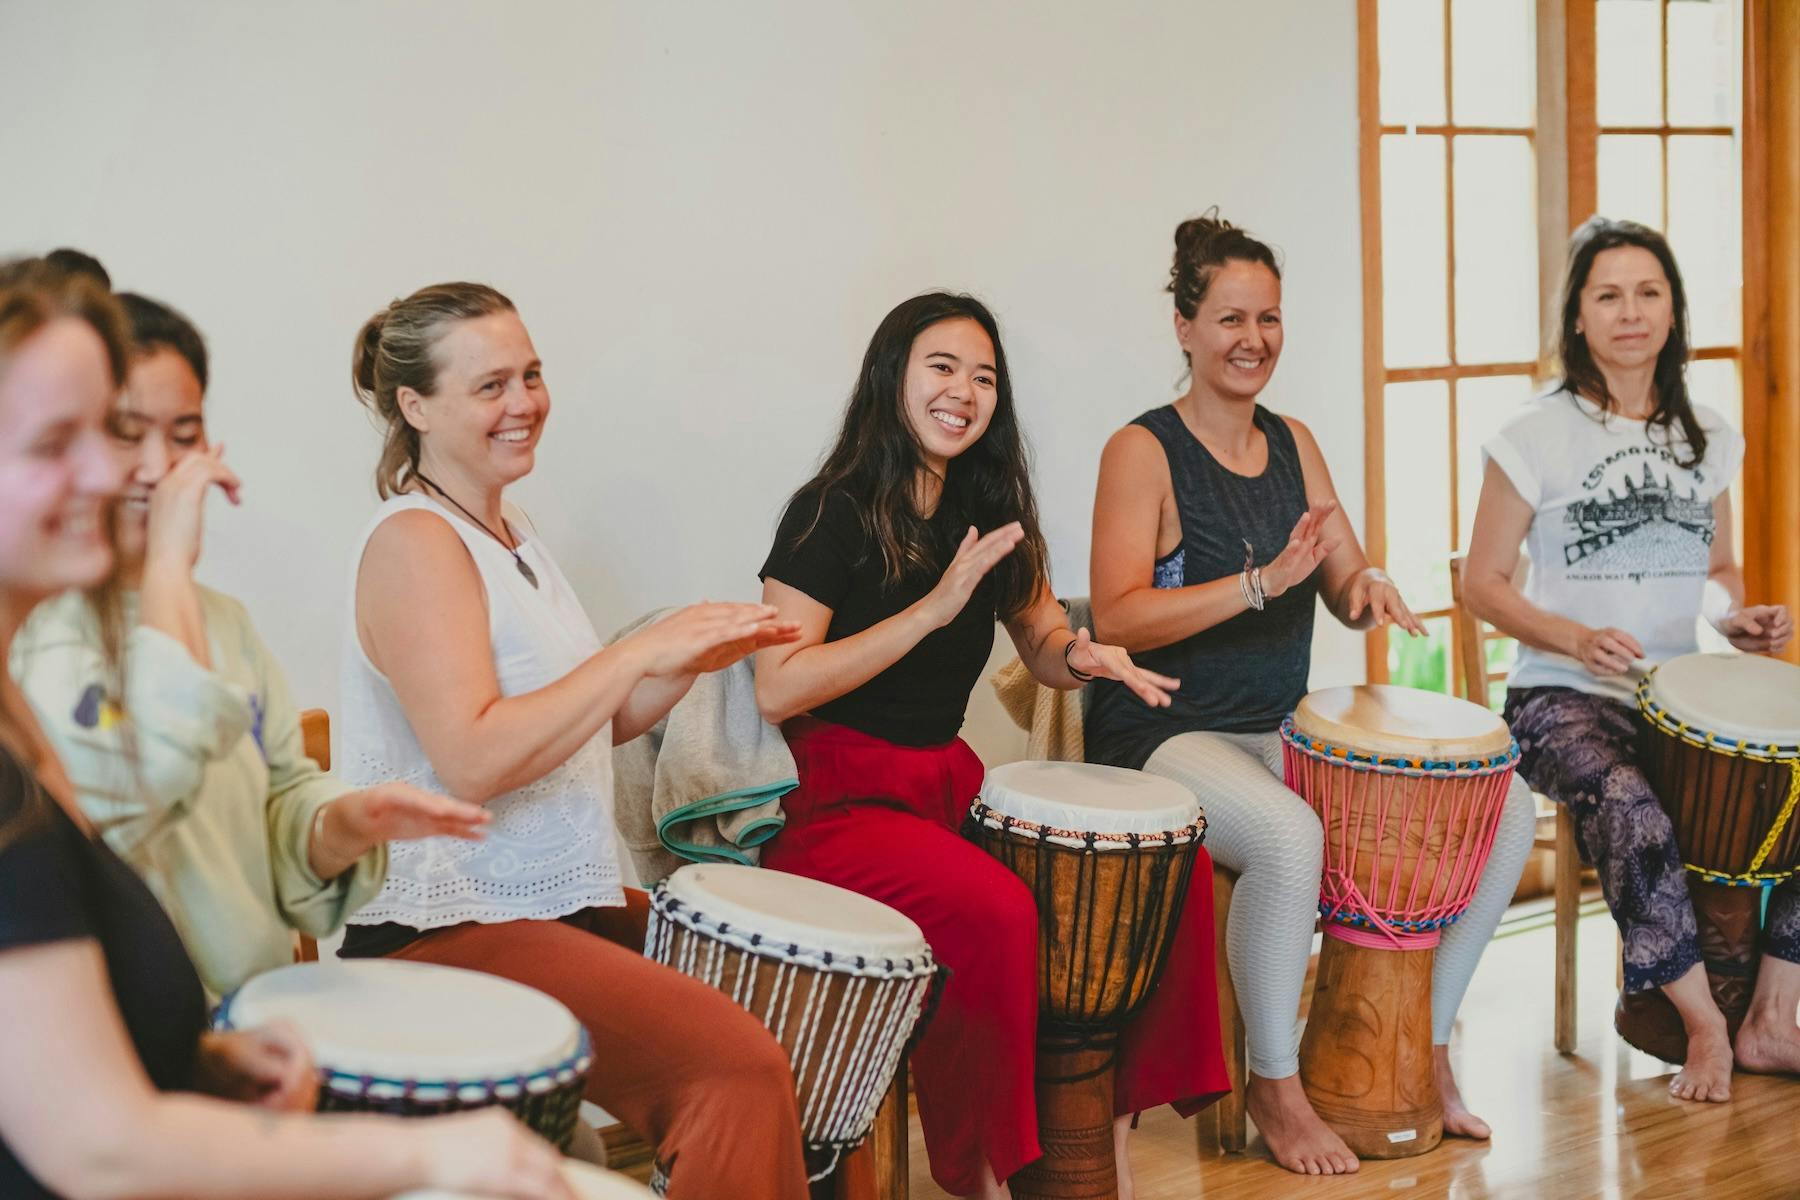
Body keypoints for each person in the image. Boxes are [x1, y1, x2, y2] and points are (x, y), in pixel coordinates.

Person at [0, 259, 569, 1200]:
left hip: (209, 1046)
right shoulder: (49, 657)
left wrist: (340, 823)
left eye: (181, 434)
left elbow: (266, 808)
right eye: (80, 437)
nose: (129, 470)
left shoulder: (209, 631)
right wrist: (425, 1154)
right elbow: (97, 1143)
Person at [1085, 212, 1537, 1175]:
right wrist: (1257, 585)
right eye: (1230, 318)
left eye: (1271, 319)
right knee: (1293, 838)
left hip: (1276, 729)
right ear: (1184, 325)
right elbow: (1117, 617)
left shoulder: (1294, 442)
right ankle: (1275, 1086)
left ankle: (1433, 1051)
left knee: (1504, 809)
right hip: (1164, 732)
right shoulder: (1143, 450)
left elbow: (1340, 578)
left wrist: (1365, 590)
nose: (1253, 340)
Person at [339, 280, 811, 1199]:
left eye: (531, 375)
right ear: (414, 405)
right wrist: (637, 649)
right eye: (489, 386)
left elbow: (598, 721)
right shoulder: (415, 542)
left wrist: (693, 655)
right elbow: (474, 758)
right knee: (733, 1071)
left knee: (776, 983)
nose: (523, 404)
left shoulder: (511, 533)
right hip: (446, 926)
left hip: (546, 903)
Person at [754, 291, 1222, 1200]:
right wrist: (930, 611)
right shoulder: (830, 512)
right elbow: (777, 685)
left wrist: (1087, 658)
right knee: (1000, 913)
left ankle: (1109, 1124)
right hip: (832, 797)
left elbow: (1044, 646)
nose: (964, 391)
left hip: (944, 782)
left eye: (984, 377)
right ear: (892, 375)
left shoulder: (989, 502)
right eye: (942, 367)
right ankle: (983, 1173)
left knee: (1170, 864)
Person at [11, 290, 489, 999]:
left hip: (257, 1017)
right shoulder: (32, 634)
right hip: (125, 1036)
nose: (156, 466)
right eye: (124, 431)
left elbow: (282, 799)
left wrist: (340, 823)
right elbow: (120, 804)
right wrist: (170, 558)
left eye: (183, 433)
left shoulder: (226, 622)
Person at [1465, 215, 1799, 1104]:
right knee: (1626, 799)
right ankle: (1701, 1028)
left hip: (1674, 693)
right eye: (1607, 294)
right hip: (1558, 697)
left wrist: (1740, 619)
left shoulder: (1708, 434)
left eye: (1648, 292)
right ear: (1577, 315)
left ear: (1673, 309)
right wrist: (1572, 637)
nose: (1630, 312)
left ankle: (1772, 1011)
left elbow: (1721, 571)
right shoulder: (1533, 433)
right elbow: (1480, 583)